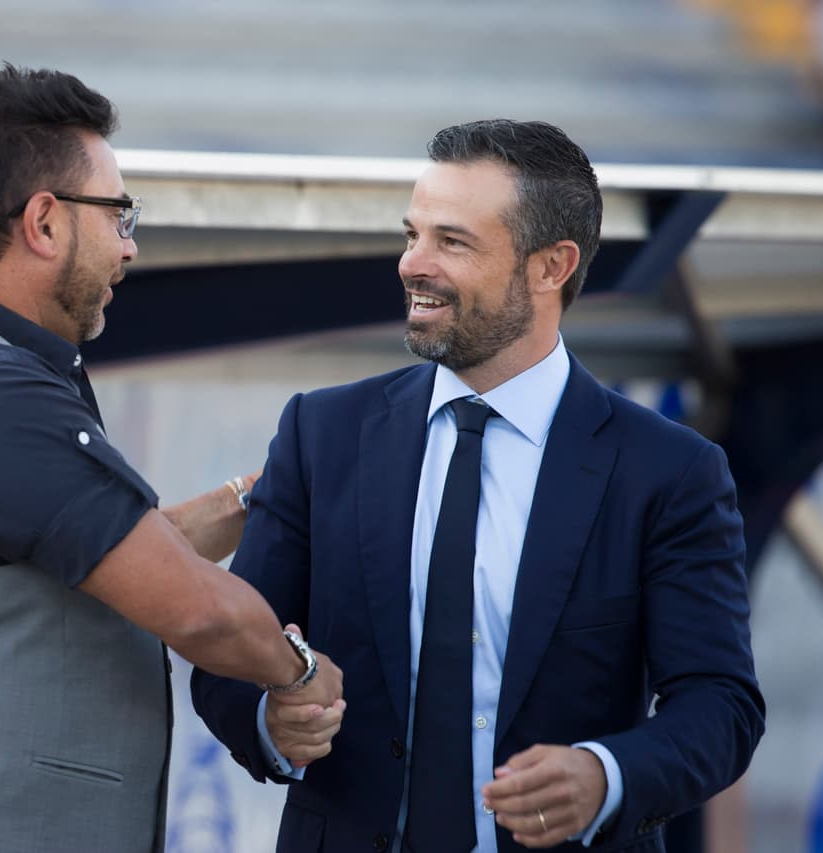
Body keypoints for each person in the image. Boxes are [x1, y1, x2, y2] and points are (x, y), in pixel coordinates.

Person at [0, 65, 342, 853]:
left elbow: (119, 557)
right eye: (119, 214)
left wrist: (260, 497)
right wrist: (300, 672)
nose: (130, 245)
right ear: (44, 222)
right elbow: (198, 608)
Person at [191, 119, 765, 853]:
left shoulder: (669, 471)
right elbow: (232, 653)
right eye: (412, 234)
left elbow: (721, 705)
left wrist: (604, 772)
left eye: (451, 242)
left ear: (550, 266)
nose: (412, 264)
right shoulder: (322, 432)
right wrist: (270, 721)